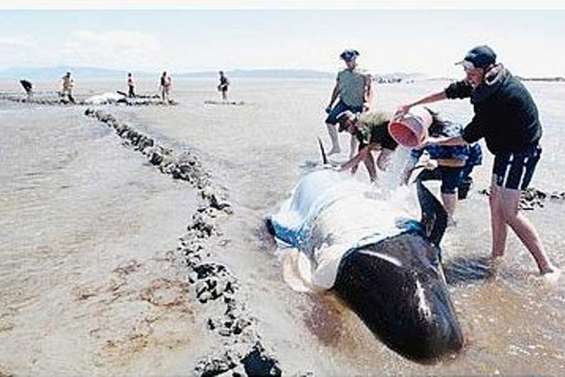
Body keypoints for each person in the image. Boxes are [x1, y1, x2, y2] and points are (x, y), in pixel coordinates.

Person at [397, 45, 559, 277]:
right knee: (494, 203)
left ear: (488, 69)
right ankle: (497, 256)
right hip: (505, 150)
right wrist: (411, 105)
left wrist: (430, 142)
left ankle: (547, 267)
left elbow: (468, 137)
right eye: (466, 71)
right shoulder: (479, 82)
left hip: (521, 151)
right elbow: (450, 92)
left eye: (471, 72)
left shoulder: (498, 96)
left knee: (509, 211)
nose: (467, 77)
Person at [402, 109, 482, 226]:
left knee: (449, 185)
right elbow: (412, 160)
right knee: (419, 181)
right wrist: (402, 183)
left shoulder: (450, 133)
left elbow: (460, 162)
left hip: (465, 159)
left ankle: (449, 218)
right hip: (440, 156)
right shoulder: (417, 136)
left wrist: (436, 161)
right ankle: (427, 213)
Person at [325, 49, 373, 157]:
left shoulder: (365, 73)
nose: (348, 62)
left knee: (355, 129)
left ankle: (351, 154)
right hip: (344, 102)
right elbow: (337, 89)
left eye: (349, 60)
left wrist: (368, 103)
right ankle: (336, 147)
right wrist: (330, 104)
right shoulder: (341, 73)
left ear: (355, 58)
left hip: (358, 105)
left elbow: (370, 90)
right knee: (329, 121)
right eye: (345, 60)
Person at [337, 110, 397, 182]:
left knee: (381, 163)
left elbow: (361, 156)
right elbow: (361, 154)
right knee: (364, 151)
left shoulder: (361, 126)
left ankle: (399, 174)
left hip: (394, 133)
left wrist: (341, 168)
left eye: (346, 129)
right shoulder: (359, 125)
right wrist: (351, 174)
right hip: (386, 137)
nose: (347, 132)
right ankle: (374, 180)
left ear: (349, 122)